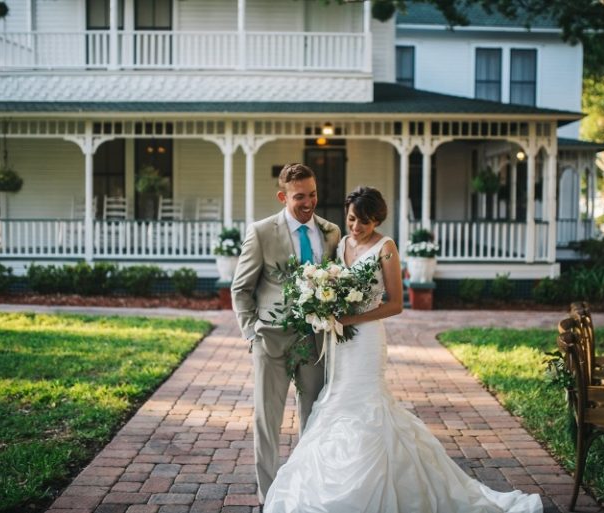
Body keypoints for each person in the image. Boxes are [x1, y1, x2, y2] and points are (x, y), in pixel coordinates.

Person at [264, 186, 543, 513]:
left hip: (367, 338)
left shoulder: (386, 248)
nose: (356, 227)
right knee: (336, 400)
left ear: (377, 219)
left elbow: (395, 304)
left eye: (364, 222)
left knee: (366, 405)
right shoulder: (341, 245)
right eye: (352, 219)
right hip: (339, 341)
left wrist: (352, 316)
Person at [231, 163, 341, 504]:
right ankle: (269, 497)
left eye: (313, 195)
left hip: (314, 341)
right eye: (299, 197)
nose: (308, 203)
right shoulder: (262, 232)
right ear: (283, 196)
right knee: (269, 420)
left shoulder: (331, 232)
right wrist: (252, 333)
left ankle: (307, 489)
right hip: (271, 338)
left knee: (314, 416)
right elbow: (240, 288)